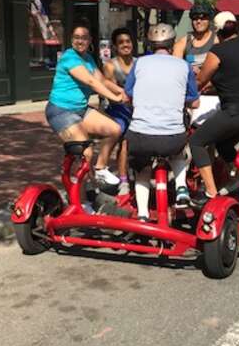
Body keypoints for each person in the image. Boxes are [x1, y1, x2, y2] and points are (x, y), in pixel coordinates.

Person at [190, 11, 239, 206]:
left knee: (197, 141)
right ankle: (238, 182)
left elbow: (200, 81)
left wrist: (192, 85)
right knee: (223, 144)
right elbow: (237, 75)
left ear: (217, 32)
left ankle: (210, 193)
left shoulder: (218, 51)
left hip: (237, 111)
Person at [124, 24, 200, 219]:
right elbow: (195, 100)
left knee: (142, 168)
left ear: (150, 44)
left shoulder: (139, 63)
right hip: (171, 137)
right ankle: (182, 188)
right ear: (172, 44)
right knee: (180, 152)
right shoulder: (183, 66)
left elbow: (128, 93)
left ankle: (142, 214)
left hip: (140, 136)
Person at [44, 25, 127, 186]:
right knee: (85, 152)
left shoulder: (88, 58)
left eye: (83, 37)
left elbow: (102, 80)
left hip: (81, 109)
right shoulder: (69, 57)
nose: (80, 41)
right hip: (61, 111)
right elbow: (91, 82)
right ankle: (79, 200)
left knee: (114, 130)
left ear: (89, 41)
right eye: (76, 37)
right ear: (71, 39)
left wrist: (123, 92)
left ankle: (101, 168)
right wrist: (114, 98)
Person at [102, 28, 135, 194]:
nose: (125, 45)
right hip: (119, 109)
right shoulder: (110, 65)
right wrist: (124, 95)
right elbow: (109, 87)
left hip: (138, 108)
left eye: (128, 41)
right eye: (121, 42)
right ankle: (123, 180)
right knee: (124, 140)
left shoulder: (139, 63)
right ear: (115, 46)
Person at [173, 0, 218, 73]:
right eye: (195, 18)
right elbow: (176, 67)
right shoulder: (183, 42)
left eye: (203, 18)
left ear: (209, 20)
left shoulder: (217, 40)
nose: (198, 21)